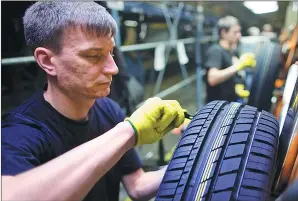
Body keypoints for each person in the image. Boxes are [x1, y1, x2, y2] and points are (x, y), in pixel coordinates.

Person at [1, 2, 186, 201]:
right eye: (94, 55)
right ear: (47, 61)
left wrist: (192, 163)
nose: (113, 68)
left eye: (111, 53)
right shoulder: (17, 133)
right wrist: (129, 131)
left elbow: (137, 185)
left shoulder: (108, 109)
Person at [204, 15, 257, 102]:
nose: (239, 35)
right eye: (235, 32)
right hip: (218, 108)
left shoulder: (232, 51)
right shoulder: (216, 51)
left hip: (230, 102)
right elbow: (212, 78)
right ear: (224, 33)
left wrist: (238, 84)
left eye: (239, 32)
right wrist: (238, 66)